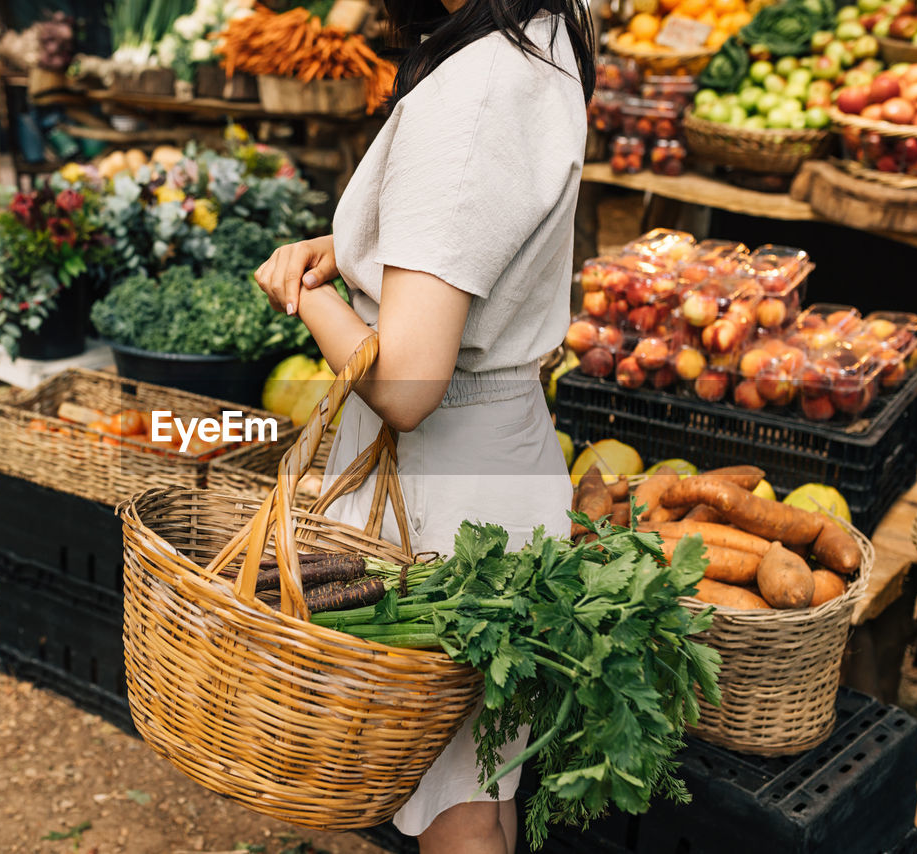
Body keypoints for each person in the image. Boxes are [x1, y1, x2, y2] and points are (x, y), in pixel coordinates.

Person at [253, 0, 595, 851]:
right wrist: (365, 254)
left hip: (445, 500)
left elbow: (405, 385)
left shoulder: (473, 95)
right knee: (482, 776)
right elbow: (480, 228)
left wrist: (312, 298)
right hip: (501, 462)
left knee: (459, 809)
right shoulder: (543, 31)